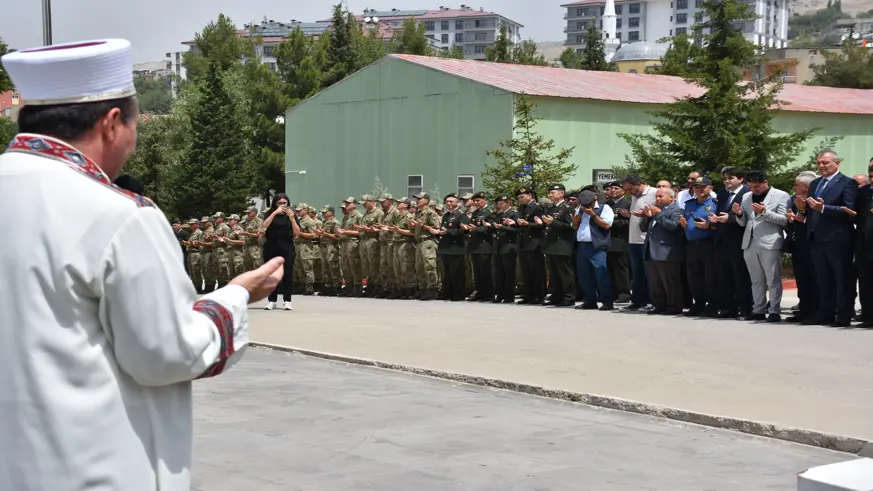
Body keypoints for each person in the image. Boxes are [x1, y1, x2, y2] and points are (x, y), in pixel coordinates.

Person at [0, 39, 284, 491]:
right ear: (112, 123)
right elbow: (166, 354)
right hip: (91, 472)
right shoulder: (118, 215)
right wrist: (235, 296)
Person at [804, 150, 859, 327]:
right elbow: (812, 210)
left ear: (837, 163)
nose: (821, 166)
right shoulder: (815, 183)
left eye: (825, 162)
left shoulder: (847, 183)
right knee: (823, 279)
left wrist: (824, 208)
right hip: (817, 239)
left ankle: (843, 315)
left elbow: (849, 210)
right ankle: (825, 313)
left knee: (842, 279)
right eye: (819, 163)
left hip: (838, 239)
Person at [734, 170, 789, 323]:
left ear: (765, 182)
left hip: (770, 242)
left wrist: (765, 212)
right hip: (749, 243)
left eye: (757, 186)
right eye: (751, 187)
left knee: (773, 279)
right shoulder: (746, 196)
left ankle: (774, 311)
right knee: (756, 280)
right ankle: (758, 309)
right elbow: (744, 222)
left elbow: (784, 220)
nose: (754, 190)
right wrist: (739, 214)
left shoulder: (781, 195)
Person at [709, 167, 752, 319]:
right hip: (722, 240)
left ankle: (745, 308)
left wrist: (731, 219)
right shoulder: (722, 193)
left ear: (740, 179)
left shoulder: (747, 193)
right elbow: (719, 212)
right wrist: (714, 219)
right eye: (725, 178)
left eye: (730, 178)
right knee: (724, 277)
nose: (727, 181)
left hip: (738, 240)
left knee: (740, 277)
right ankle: (728, 308)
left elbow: (749, 217)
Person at [641, 188, 686, 315]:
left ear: (671, 198)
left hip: (667, 251)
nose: (657, 199)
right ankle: (659, 304)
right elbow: (643, 228)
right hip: (651, 250)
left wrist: (658, 215)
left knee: (670, 281)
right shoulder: (654, 210)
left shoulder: (677, 211)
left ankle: (674, 306)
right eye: (656, 196)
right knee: (655, 282)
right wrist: (647, 216)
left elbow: (673, 227)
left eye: (661, 196)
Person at [680, 176, 718, 317]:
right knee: (694, 277)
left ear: (710, 188)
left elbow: (720, 225)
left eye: (703, 187)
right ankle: (699, 304)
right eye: (696, 187)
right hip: (692, 245)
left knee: (710, 277)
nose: (699, 190)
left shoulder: (715, 203)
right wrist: (684, 225)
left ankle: (713, 305)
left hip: (708, 243)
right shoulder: (689, 204)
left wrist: (709, 226)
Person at [573, 189, 614, 311]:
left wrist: (593, 214)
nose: (586, 206)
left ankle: (607, 302)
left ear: (594, 199)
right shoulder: (580, 209)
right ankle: (589, 301)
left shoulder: (604, 208)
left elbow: (606, 225)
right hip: (582, 245)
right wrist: (577, 218)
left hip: (596, 246)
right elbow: (574, 226)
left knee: (601, 274)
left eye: (588, 203)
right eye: (583, 204)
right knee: (584, 275)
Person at [623, 175, 657, 310]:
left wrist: (645, 214)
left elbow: (658, 213)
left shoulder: (654, 193)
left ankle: (651, 301)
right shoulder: (634, 196)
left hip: (646, 239)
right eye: (626, 190)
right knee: (637, 272)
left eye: (630, 189)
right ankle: (637, 300)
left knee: (649, 272)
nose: (628, 192)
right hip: (633, 239)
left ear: (638, 184)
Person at [262, 193, 300, 310]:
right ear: (275, 203)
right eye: (280, 203)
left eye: (284, 203)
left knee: (287, 274)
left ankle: (287, 301)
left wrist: (292, 218)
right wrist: (274, 213)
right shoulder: (269, 213)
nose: (282, 205)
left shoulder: (291, 215)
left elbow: (297, 233)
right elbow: (264, 226)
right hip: (271, 247)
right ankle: (272, 301)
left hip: (287, 247)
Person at [542, 184, 576, 307]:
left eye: (553, 193)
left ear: (562, 193)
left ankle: (569, 297)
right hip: (550, 244)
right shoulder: (550, 208)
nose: (550, 195)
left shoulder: (567, 208)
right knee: (554, 273)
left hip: (562, 244)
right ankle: (556, 296)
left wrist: (553, 222)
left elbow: (571, 227)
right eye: (550, 193)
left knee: (565, 272)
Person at [515, 186, 547, 305]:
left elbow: (542, 225)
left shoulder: (537, 207)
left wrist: (527, 223)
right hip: (524, 242)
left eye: (522, 197)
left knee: (536, 270)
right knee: (526, 270)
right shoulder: (522, 207)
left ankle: (539, 295)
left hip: (535, 242)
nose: (520, 199)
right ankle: (528, 295)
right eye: (519, 198)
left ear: (530, 195)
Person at [437, 193, 470, 301]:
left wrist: (448, 232)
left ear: (457, 203)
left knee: (456, 272)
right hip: (446, 247)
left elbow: (464, 231)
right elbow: (443, 229)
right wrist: (438, 232)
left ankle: (458, 293)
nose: (449, 203)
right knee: (446, 273)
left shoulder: (461, 215)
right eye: (447, 202)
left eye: (451, 201)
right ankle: (447, 292)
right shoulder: (446, 215)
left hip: (456, 248)